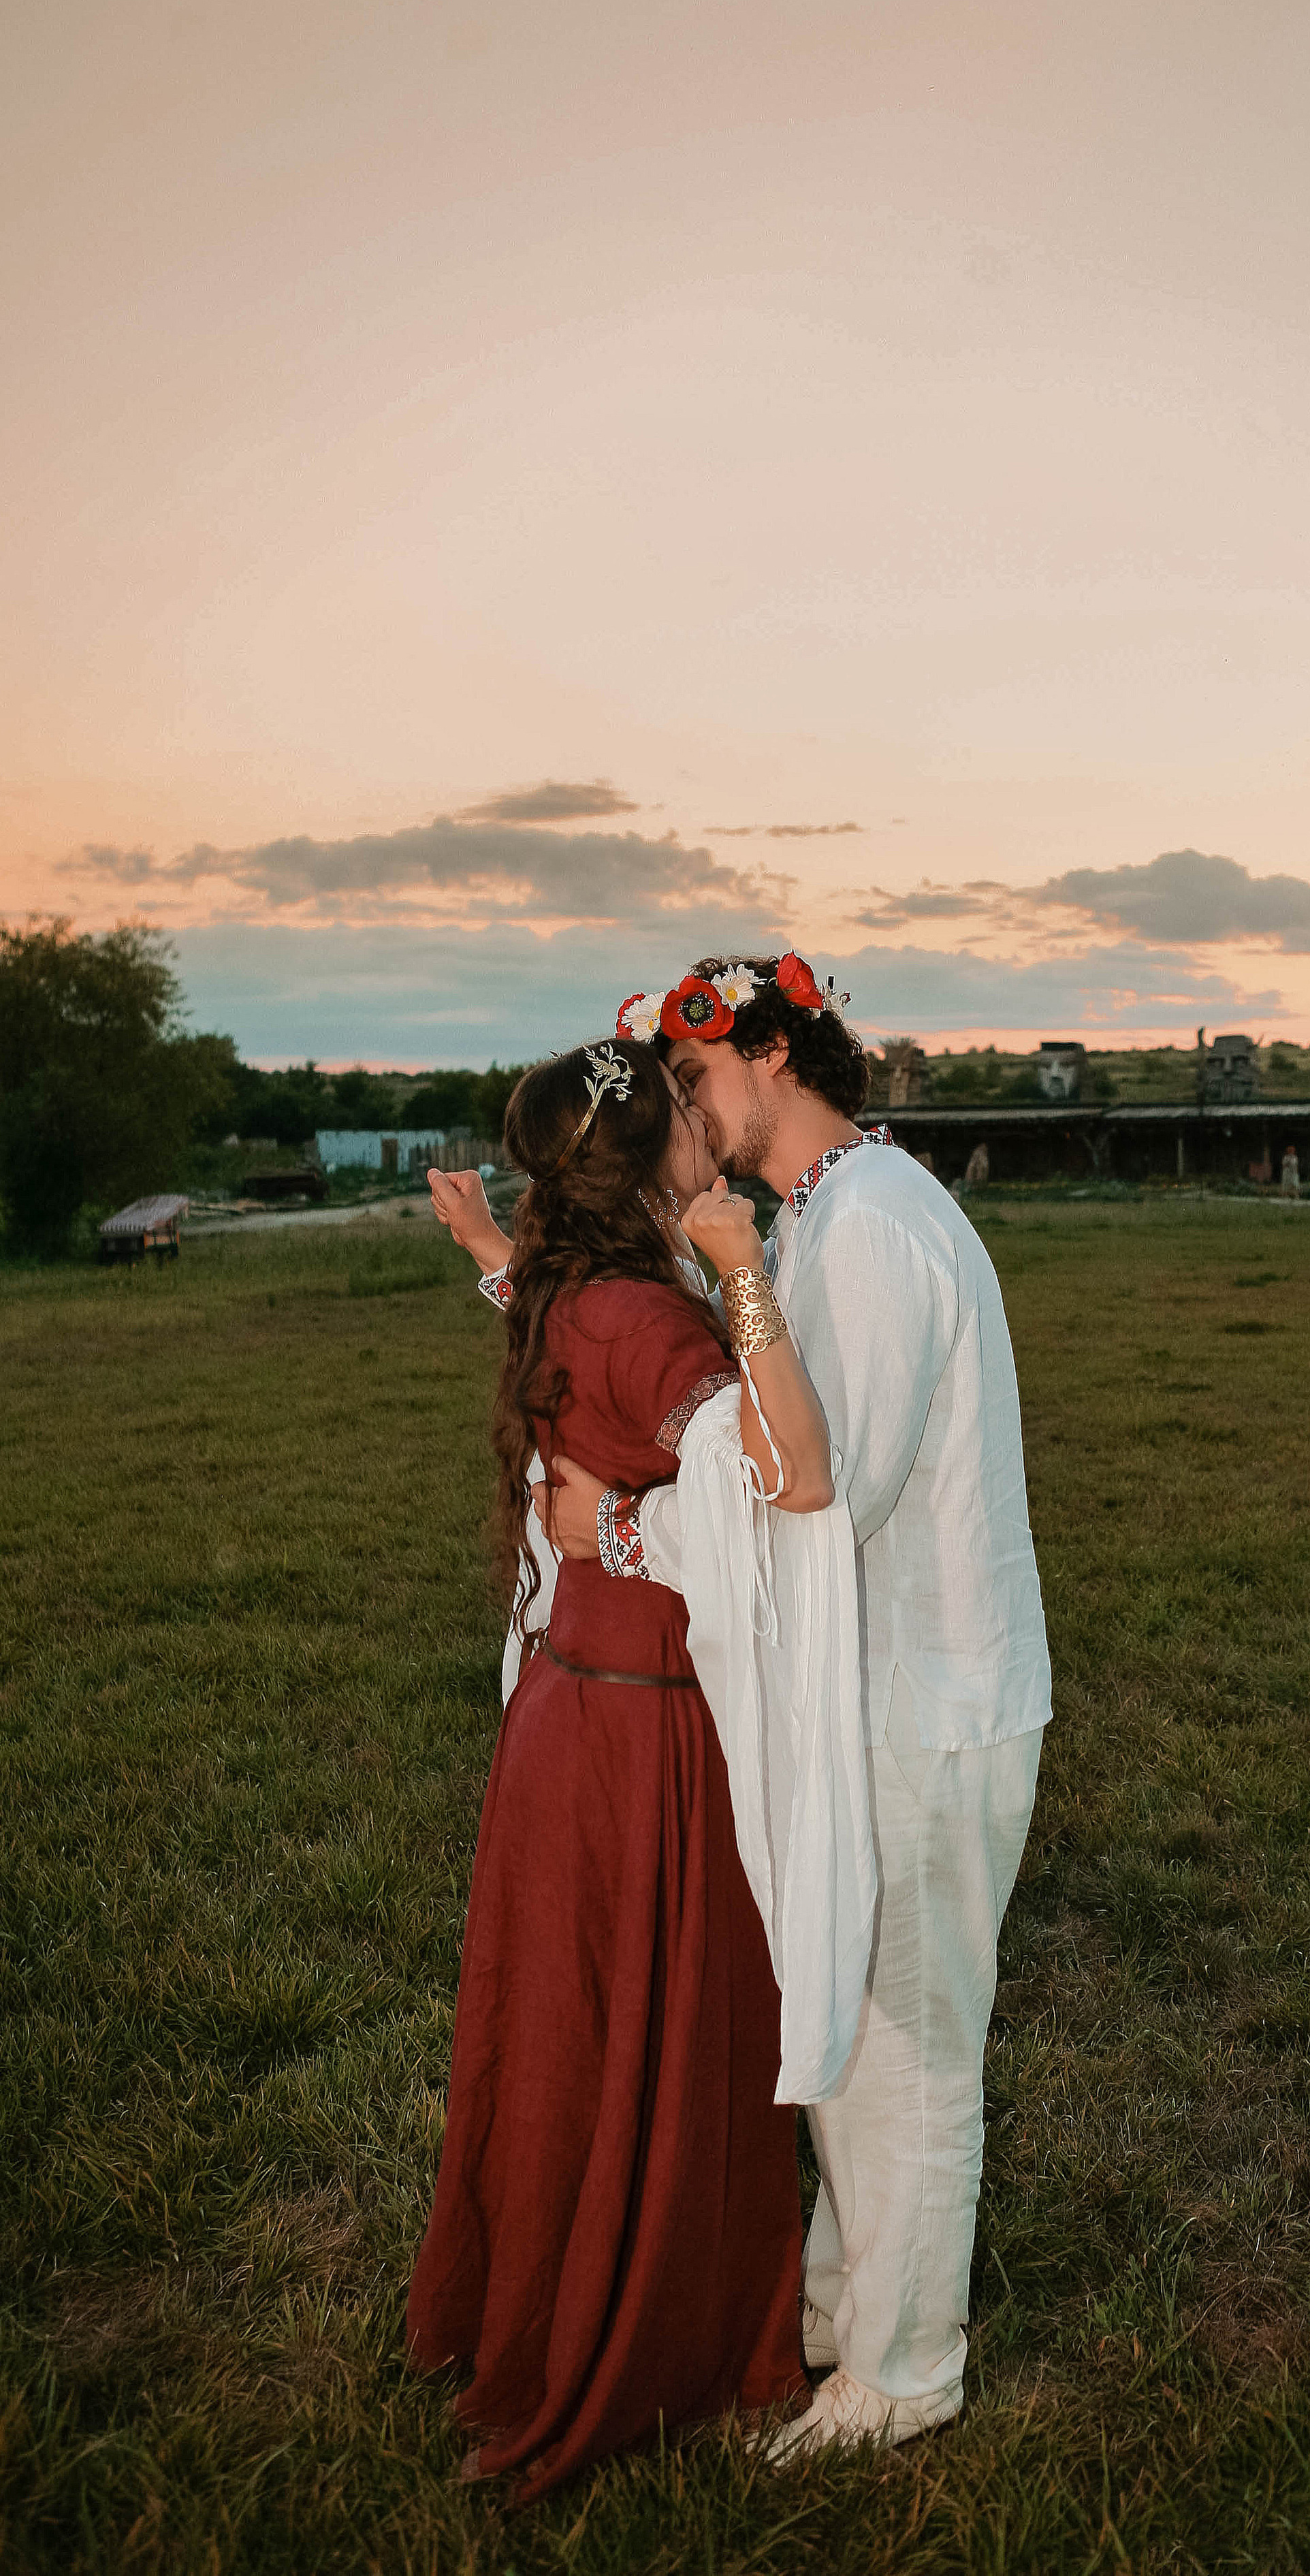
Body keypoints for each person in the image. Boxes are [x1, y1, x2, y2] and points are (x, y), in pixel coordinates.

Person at [449, 953, 1053, 2458]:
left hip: (924, 1691)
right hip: (870, 1684)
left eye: (702, 1076)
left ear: (776, 1054)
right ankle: (851, 2315)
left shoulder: (865, 1234)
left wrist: (616, 1540)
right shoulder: (827, 1217)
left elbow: (805, 1507)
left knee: (905, 2041)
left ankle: (906, 2372)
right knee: (851, 2020)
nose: (690, 1111)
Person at [407, 1036, 840, 2502]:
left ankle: (542, 2295)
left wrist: (481, 1243)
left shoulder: (564, 1298)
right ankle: (648, 2328)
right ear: (649, 1155)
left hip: (566, 1715)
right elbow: (794, 1474)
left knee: (574, 2021)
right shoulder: (650, 1325)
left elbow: (539, 1320)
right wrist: (744, 1277)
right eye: (681, 1124)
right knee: (662, 2014)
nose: (703, 1139)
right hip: (643, 1724)